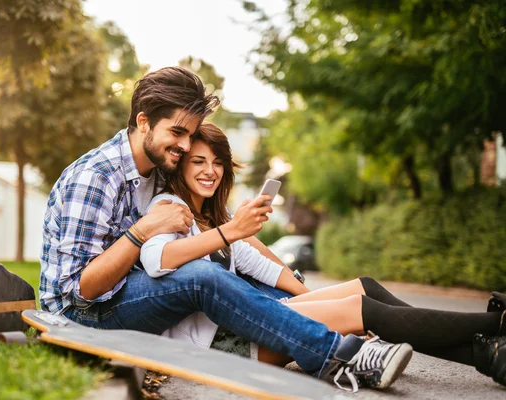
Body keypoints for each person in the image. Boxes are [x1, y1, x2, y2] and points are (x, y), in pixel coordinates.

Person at [40, 67, 413, 392]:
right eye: (178, 133)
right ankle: (337, 355)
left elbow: (231, 242)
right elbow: (81, 291)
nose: (185, 147)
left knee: (242, 278)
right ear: (142, 122)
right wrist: (141, 233)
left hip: (121, 294)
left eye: (191, 135)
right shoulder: (96, 177)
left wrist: (242, 236)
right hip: (80, 317)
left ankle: (343, 331)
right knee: (202, 276)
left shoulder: (156, 167)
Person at [137, 122, 506, 388]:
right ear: (181, 165)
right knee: (358, 310)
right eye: (199, 161)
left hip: (247, 322)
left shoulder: (212, 217)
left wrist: (310, 297)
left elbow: (258, 264)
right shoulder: (169, 206)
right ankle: (497, 325)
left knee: (363, 288)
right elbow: (156, 259)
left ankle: (489, 357)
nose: (210, 171)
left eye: (217, 162)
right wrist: (230, 231)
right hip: (221, 342)